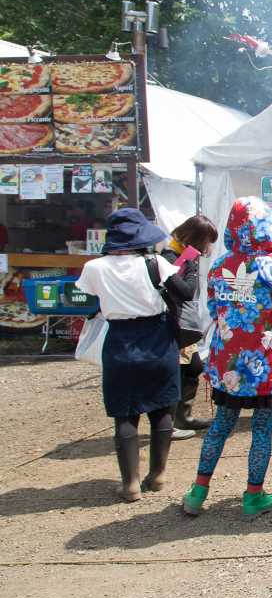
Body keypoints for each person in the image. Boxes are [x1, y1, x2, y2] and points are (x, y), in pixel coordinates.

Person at [181, 198, 272, 518]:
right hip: (265, 361)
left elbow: (212, 309)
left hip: (227, 361)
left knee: (220, 425)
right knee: (261, 429)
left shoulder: (219, 265)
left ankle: (197, 493)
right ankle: (253, 496)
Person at [77, 208, 182, 502]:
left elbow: (91, 299)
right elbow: (182, 292)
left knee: (125, 413)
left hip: (120, 341)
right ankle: (157, 475)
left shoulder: (94, 268)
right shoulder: (156, 262)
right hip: (159, 339)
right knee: (162, 409)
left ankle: (131, 484)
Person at [159, 215, 219, 439]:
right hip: (172, 324)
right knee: (175, 371)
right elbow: (186, 291)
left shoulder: (180, 255)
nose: (209, 247)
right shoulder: (169, 257)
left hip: (181, 325)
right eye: (208, 241)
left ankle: (183, 417)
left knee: (193, 367)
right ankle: (167, 424)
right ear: (197, 238)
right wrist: (192, 267)